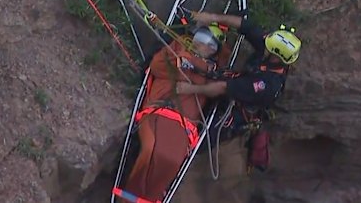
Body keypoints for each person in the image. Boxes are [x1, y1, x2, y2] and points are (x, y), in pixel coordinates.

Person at [175, 11, 301, 170]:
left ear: (276, 56)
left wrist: (190, 89)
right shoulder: (271, 49)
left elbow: (223, 88)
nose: (264, 44)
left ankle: (179, 159)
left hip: (236, 111)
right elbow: (246, 26)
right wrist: (212, 18)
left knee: (200, 141)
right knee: (209, 75)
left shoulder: (267, 85)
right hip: (237, 81)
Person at [120, 24, 226, 202]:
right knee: (149, 149)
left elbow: (218, 87)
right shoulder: (176, 49)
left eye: (208, 43)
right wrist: (183, 63)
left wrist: (193, 70)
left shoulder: (212, 72)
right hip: (157, 112)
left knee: (171, 160)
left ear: (213, 50)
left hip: (183, 124)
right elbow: (157, 66)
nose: (201, 44)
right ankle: (130, 197)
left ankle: (150, 198)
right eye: (199, 38)